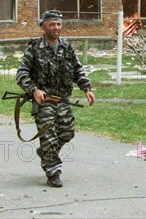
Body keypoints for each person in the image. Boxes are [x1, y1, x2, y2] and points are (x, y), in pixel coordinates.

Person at [16, 10, 96, 188]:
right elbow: (21, 74)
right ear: (43, 27)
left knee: (67, 132)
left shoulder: (66, 47)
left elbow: (77, 70)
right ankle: (53, 172)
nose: (56, 28)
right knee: (48, 136)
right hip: (44, 101)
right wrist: (34, 90)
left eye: (59, 24)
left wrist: (86, 89)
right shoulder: (34, 49)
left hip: (62, 99)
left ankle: (45, 153)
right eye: (52, 24)